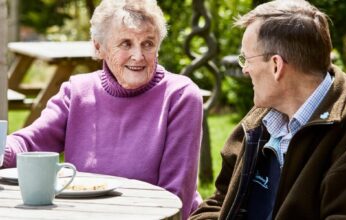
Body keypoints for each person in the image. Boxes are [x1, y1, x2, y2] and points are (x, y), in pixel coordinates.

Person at [2, 0, 203, 218]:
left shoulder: (180, 96)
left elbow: (176, 197)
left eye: (148, 44)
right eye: (126, 44)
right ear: (99, 47)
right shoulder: (77, 92)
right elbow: (29, 143)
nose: (138, 56)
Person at [191, 0, 346, 219]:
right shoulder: (259, 120)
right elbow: (220, 202)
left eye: (246, 59)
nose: (245, 70)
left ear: (276, 66)